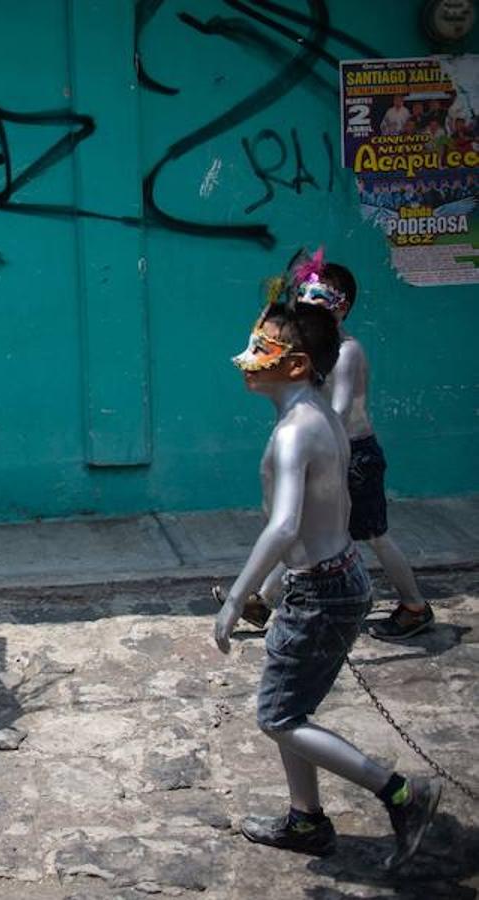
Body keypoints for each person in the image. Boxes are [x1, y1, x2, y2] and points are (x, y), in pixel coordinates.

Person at [214, 297, 440, 868]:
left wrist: (239, 597)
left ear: (294, 365)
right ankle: (305, 819)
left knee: (278, 717)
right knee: (289, 707)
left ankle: (403, 794)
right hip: (328, 581)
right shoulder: (319, 416)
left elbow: (284, 524)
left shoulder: (295, 431)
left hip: (321, 591)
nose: (246, 358)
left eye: (261, 347)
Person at [295, 254, 434, 640]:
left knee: (374, 533)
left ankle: (415, 607)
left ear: (341, 308)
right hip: (334, 454)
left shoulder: (347, 351)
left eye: (317, 304)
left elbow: (338, 409)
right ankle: (260, 601)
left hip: (355, 457)